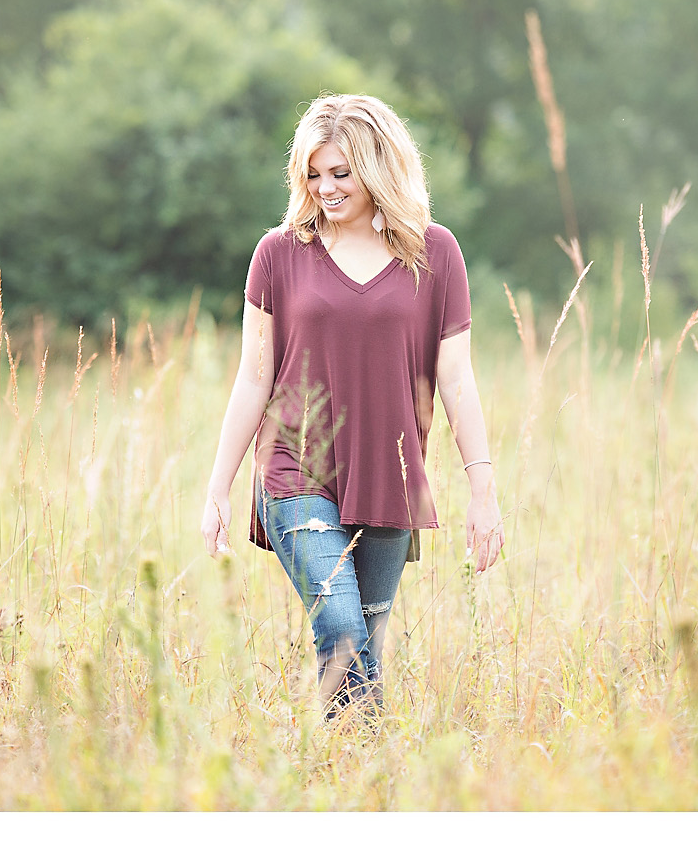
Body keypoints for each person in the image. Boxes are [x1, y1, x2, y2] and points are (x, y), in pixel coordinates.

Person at [199, 93, 504, 714]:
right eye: (313, 174)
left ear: (378, 168)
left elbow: (457, 378)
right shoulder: (279, 254)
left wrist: (483, 490)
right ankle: (356, 761)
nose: (326, 189)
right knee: (341, 628)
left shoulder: (434, 252)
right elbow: (253, 380)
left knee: (363, 643)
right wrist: (217, 488)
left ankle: (348, 778)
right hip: (294, 472)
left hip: (389, 478)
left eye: (340, 173)